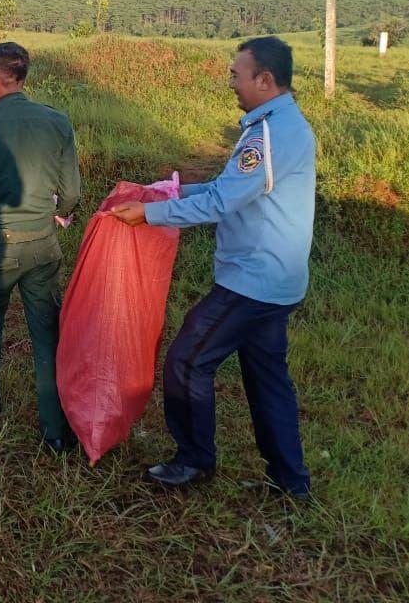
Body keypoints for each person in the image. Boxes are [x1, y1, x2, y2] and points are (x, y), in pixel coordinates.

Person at [111, 36, 315, 498]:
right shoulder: (276, 124)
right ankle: (290, 479)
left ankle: (194, 460)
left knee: (187, 361)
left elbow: (223, 202)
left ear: (264, 80)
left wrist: (150, 214)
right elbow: (230, 188)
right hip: (277, 278)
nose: (231, 83)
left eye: (236, 74)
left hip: (254, 281)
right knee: (267, 377)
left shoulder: (269, 134)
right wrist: (172, 193)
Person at [0, 42, 81, 452]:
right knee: (47, 335)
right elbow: (72, 192)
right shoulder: (57, 121)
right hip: (43, 247)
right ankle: (56, 430)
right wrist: (61, 212)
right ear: (22, 78)